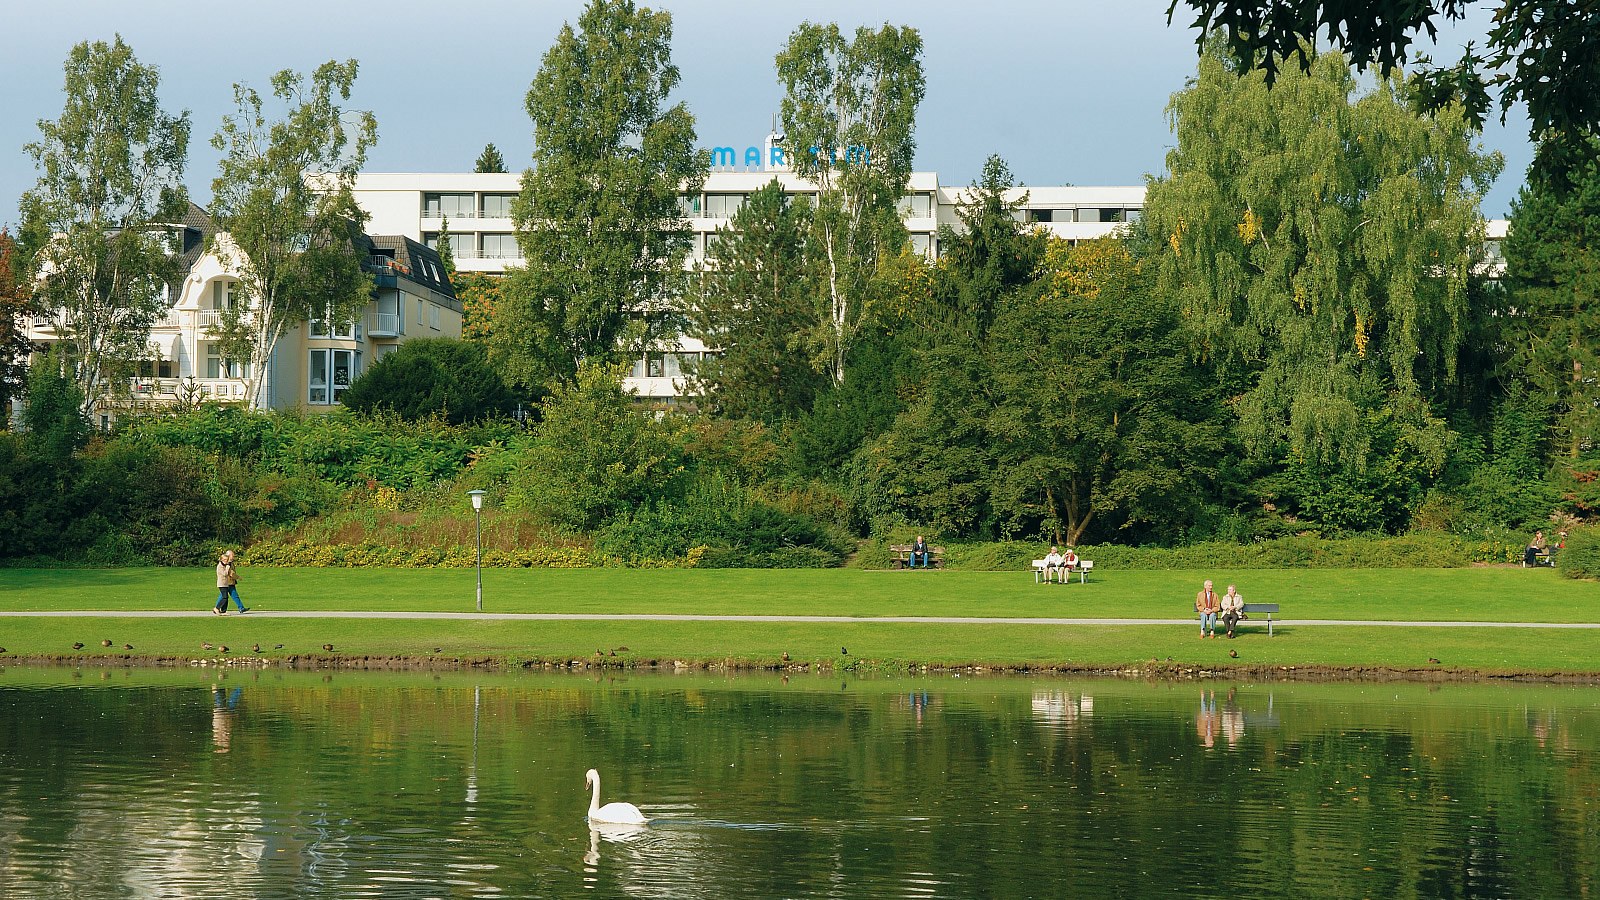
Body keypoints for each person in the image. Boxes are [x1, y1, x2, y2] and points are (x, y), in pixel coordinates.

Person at [213, 550, 247, 615]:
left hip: (227, 583)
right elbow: (227, 573)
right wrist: (238, 577)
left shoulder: (228, 564)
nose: (233, 557)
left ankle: (224, 611)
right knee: (225, 597)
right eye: (232, 555)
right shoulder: (223, 565)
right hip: (225, 583)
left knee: (225, 597)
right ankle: (217, 608)